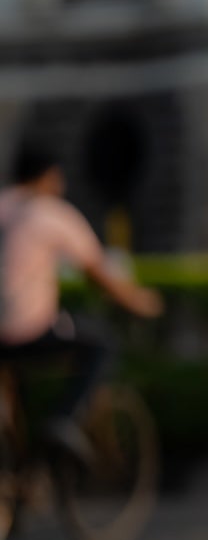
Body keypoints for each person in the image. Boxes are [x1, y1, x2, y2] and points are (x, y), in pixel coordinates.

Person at [0, 139, 163, 461]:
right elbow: (97, 271)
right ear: (46, 176)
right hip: (25, 330)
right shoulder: (50, 214)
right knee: (102, 346)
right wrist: (139, 302)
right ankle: (63, 419)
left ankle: (19, 469)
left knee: (18, 382)